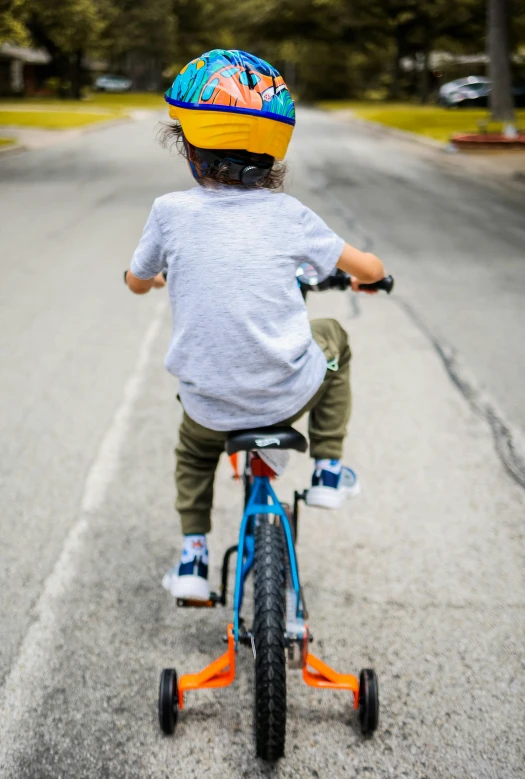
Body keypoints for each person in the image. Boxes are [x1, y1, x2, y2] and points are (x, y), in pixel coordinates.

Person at [125, 49, 386, 601]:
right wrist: (370, 275)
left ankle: (194, 554)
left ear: (191, 152)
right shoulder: (290, 216)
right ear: (273, 156)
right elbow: (368, 268)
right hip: (286, 394)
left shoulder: (169, 213)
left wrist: (146, 279)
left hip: (208, 405)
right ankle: (329, 469)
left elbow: (136, 278)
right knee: (334, 337)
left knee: (194, 454)